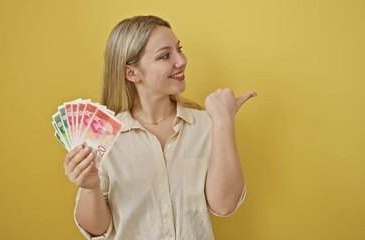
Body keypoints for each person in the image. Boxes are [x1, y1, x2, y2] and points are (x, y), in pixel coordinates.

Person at [63, 15, 257, 240]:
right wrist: (90, 187)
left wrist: (224, 122)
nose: (181, 60)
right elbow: (96, 230)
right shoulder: (104, 136)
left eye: (179, 49)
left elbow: (224, 205)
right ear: (131, 73)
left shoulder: (207, 125)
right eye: (165, 55)